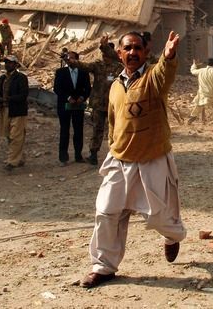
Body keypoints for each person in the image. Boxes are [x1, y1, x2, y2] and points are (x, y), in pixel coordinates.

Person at [80, 31, 187, 288]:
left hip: (152, 158)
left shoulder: (153, 77)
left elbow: (165, 72)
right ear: (119, 53)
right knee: (106, 212)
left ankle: (172, 238)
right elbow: (113, 122)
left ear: (145, 52)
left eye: (138, 48)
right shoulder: (115, 86)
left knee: (159, 218)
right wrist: (112, 150)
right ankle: (103, 266)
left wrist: (169, 56)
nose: (133, 52)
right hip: (120, 159)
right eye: (127, 48)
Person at [69, 35, 122, 165]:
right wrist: (71, 62)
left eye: (106, 53)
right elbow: (84, 66)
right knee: (97, 129)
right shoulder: (98, 65)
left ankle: (116, 154)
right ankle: (93, 154)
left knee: (115, 130)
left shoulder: (119, 67)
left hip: (113, 104)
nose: (104, 56)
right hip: (98, 104)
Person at [54, 51, 91, 165]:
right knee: (64, 131)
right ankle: (63, 158)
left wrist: (82, 97)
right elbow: (57, 88)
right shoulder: (60, 72)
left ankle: (78, 155)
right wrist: (68, 97)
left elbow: (88, 88)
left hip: (78, 106)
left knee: (78, 131)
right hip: (64, 105)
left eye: (72, 58)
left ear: (77, 60)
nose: (69, 60)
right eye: (68, 58)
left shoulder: (83, 72)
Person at [0, 55, 29, 171]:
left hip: (18, 110)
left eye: (10, 63)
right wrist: (0, 100)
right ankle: (19, 158)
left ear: (16, 65)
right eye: (6, 63)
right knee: (8, 135)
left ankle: (12, 162)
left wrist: (9, 99)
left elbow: (23, 95)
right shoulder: (2, 78)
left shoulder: (21, 78)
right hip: (5, 110)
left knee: (16, 136)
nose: (7, 65)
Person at [188, 58, 213, 127]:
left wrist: (194, 64)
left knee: (199, 105)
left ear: (207, 64)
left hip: (202, 93)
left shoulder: (201, 71)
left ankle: (192, 116)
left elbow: (193, 71)